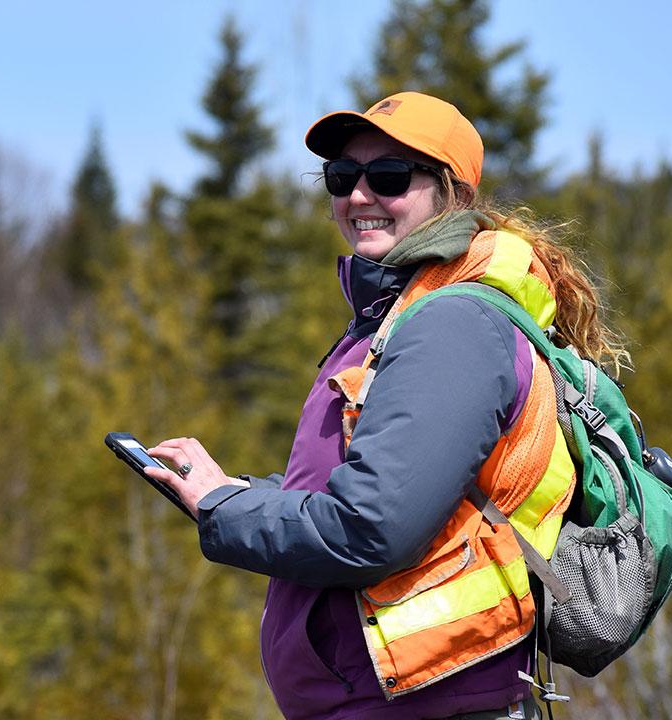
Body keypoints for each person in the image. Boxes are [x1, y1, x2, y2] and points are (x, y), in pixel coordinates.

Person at [144, 91, 629, 720]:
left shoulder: (451, 326)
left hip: (427, 702)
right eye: (342, 177)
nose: (359, 196)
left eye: (391, 176)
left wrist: (228, 509)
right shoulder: (395, 319)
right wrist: (232, 491)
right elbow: (384, 495)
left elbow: (371, 529)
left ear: (453, 194)